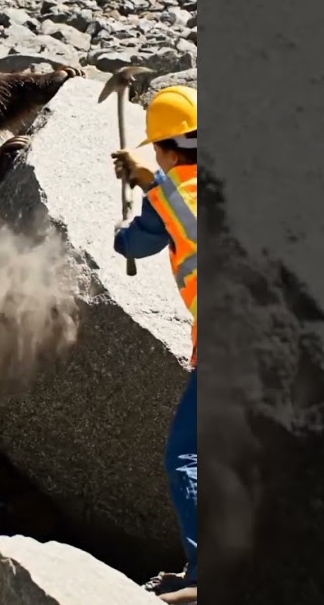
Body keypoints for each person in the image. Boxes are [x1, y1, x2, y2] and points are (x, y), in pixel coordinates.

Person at [112, 85, 199, 604]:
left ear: (165, 149)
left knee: (186, 455)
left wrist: (149, 188)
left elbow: (157, 233)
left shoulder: (177, 192)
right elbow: (143, 236)